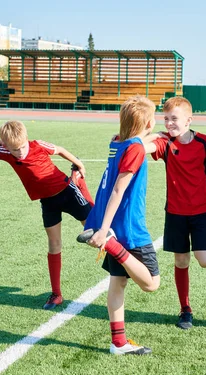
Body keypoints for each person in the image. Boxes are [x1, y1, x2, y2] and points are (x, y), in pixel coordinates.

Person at [0, 120, 93, 310]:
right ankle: (56, 294)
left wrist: (79, 164)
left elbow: (59, 150)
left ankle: (122, 260)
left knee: (95, 229)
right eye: (15, 149)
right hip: (47, 202)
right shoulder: (8, 153)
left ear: (27, 139)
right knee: (54, 244)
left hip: (68, 192)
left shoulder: (37, 145)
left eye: (22, 146)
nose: (20, 152)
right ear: (6, 146)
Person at [78, 95, 161, 355]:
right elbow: (118, 189)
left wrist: (157, 137)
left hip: (109, 221)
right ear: (148, 122)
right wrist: (105, 233)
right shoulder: (134, 149)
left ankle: (118, 343)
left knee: (118, 283)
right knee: (151, 283)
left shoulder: (116, 142)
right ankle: (113, 246)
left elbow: (137, 142)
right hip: (125, 226)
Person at [145, 96, 206, 330]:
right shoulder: (165, 143)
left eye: (174, 119)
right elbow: (143, 147)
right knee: (181, 259)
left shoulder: (204, 142)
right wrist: (153, 134)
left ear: (189, 120)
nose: (169, 124)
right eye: (165, 119)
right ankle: (185, 308)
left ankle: (205, 242)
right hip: (175, 213)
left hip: (202, 211)